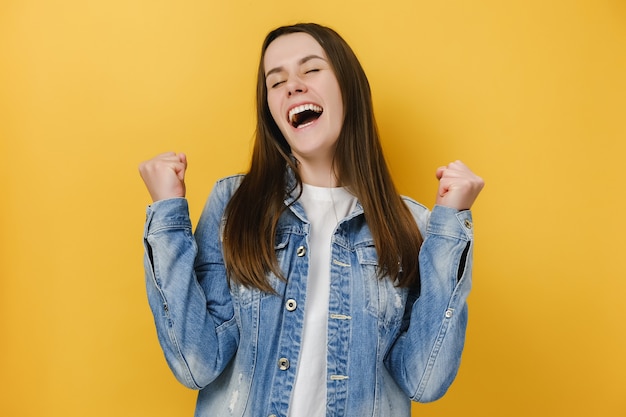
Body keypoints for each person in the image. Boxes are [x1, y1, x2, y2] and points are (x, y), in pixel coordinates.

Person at [139, 22, 484, 417]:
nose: (293, 85)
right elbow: (196, 364)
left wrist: (450, 226)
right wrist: (167, 214)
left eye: (311, 69)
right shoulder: (234, 205)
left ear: (348, 88)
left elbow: (424, 379)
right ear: (271, 111)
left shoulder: (411, 225)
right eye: (276, 81)